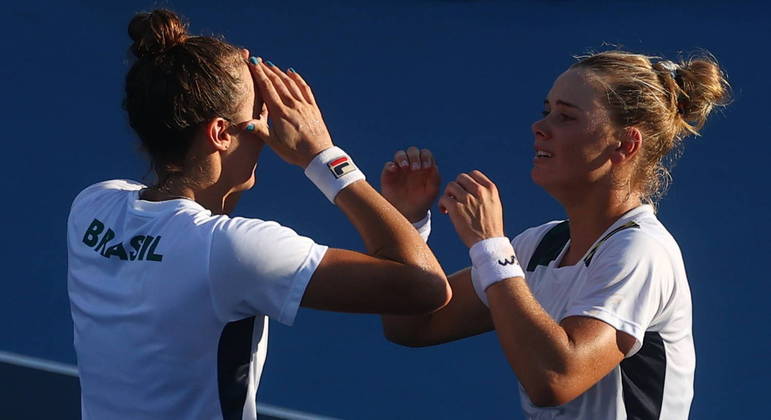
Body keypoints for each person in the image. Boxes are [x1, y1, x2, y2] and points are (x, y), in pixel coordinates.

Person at [66, 9, 451, 420]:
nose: (269, 127)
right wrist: (322, 155)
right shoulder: (233, 249)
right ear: (218, 133)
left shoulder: (92, 207)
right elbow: (426, 287)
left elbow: (186, 230)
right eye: (259, 112)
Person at [380, 50, 729, 419]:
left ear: (625, 145)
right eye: (546, 111)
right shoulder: (538, 247)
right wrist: (407, 221)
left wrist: (490, 245)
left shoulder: (641, 250)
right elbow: (413, 324)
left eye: (565, 116)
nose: (539, 127)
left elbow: (554, 378)